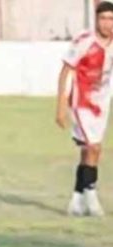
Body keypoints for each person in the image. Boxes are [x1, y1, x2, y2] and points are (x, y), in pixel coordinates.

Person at [56, 1, 113, 217]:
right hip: (82, 101)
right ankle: (92, 196)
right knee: (93, 147)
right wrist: (60, 105)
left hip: (102, 102)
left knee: (89, 151)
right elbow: (65, 71)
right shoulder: (84, 41)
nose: (107, 23)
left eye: (111, 19)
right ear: (97, 20)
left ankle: (76, 199)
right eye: (103, 18)